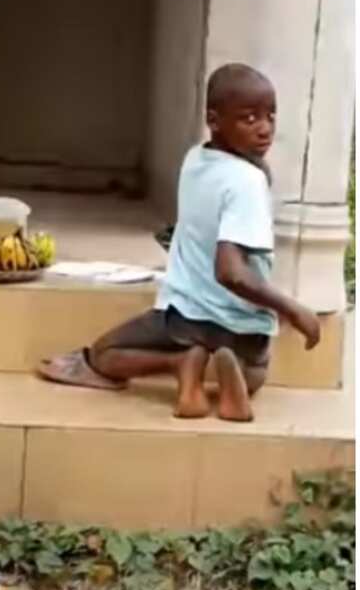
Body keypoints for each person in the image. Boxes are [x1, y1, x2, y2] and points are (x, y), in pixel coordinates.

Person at [38, 63, 321, 422]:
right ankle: (235, 389)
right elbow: (230, 272)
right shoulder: (248, 183)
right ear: (215, 121)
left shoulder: (195, 160)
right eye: (249, 119)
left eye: (270, 117)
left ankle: (180, 363)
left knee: (104, 355)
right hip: (243, 329)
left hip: (186, 320)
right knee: (255, 372)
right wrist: (293, 309)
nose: (264, 129)